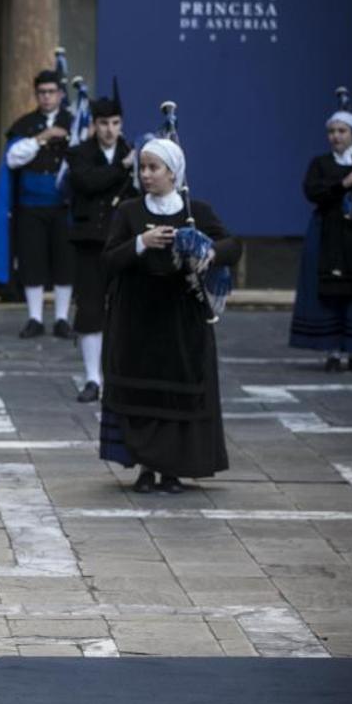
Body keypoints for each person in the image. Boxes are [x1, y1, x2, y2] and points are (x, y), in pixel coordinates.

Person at [100, 139, 242, 494]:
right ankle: (146, 467)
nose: (146, 175)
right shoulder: (130, 212)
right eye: (143, 168)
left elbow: (231, 246)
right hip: (138, 317)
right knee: (143, 395)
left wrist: (206, 250)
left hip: (181, 318)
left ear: (173, 172)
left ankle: (173, 469)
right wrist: (141, 242)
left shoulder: (196, 210)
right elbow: (110, 259)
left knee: (177, 393)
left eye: (154, 168)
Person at [289, 108, 352, 372]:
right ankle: (333, 350)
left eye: (341, 131)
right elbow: (313, 191)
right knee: (331, 289)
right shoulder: (321, 163)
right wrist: (345, 182)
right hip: (329, 233)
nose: (335, 136)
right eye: (331, 132)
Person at [66, 91, 135, 403]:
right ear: (94, 125)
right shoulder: (80, 153)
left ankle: (119, 376)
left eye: (115, 123)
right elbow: (87, 183)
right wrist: (122, 168)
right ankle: (93, 378)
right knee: (91, 308)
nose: (110, 129)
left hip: (124, 243)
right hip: (90, 243)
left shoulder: (135, 152)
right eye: (104, 123)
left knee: (124, 309)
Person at [5, 70, 74, 339]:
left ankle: (61, 318)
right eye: (42, 93)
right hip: (31, 205)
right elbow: (13, 158)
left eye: (51, 92)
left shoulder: (75, 122)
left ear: (60, 94)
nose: (46, 97)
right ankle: (34, 318)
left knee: (64, 260)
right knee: (32, 260)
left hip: (64, 205)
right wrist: (42, 137)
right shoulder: (25, 124)